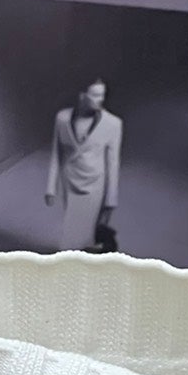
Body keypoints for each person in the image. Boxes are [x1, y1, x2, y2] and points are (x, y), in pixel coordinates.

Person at [45, 79, 123, 253]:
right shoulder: (62, 118)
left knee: (85, 231)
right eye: (95, 95)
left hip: (95, 184)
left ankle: (75, 257)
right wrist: (51, 188)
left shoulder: (113, 124)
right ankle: (71, 257)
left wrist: (111, 199)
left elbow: (113, 163)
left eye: (102, 95)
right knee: (71, 225)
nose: (100, 99)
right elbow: (56, 153)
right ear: (82, 96)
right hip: (70, 180)